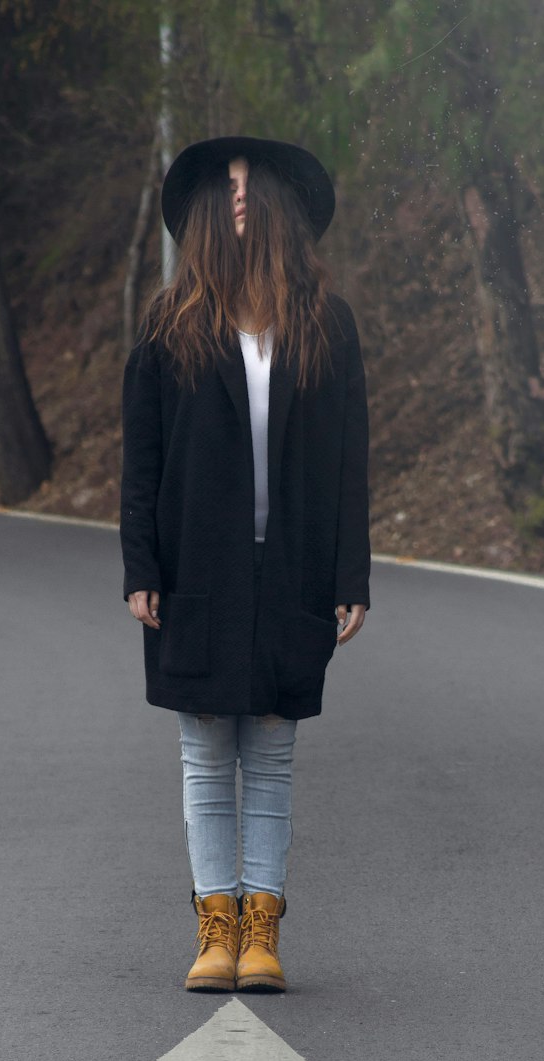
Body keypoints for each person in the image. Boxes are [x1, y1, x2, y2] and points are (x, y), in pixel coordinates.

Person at [120, 135, 370, 994]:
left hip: (292, 569)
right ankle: (213, 926)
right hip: (198, 569)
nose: (235, 194)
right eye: (222, 184)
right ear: (200, 212)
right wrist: (140, 565)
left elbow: (349, 458)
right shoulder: (166, 326)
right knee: (202, 754)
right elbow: (142, 461)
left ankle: (263, 929)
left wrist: (350, 576)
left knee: (268, 752)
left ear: (276, 206)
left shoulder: (324, 324)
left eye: (247, 183)